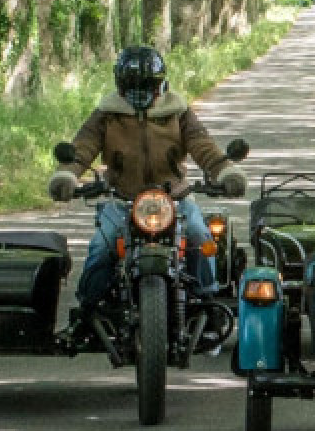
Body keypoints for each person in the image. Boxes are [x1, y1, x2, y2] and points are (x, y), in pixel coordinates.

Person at [48, 46, 247, 315]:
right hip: (122, 201)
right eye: (132, 86)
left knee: (201, 239)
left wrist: (226, 173)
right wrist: (66, 176)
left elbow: (202, 145)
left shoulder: (178, 112)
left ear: (160, 84)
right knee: (100, 250)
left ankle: (207, 307)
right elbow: (82, 147)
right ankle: (89, 311)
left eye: (147, 86)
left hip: (175, 200)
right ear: (120, 85)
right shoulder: (107, 115)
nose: (139, 92)